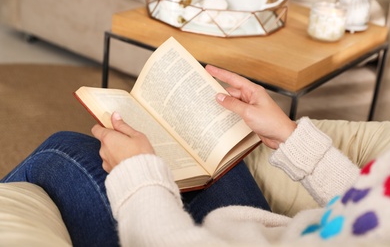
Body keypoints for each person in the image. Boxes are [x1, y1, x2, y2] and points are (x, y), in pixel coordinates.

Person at [2, 65, 390, 246]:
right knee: (192, 158)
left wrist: (138, 175)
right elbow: (370, 216)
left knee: (62, 151)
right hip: (254, 231)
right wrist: (289, 137)